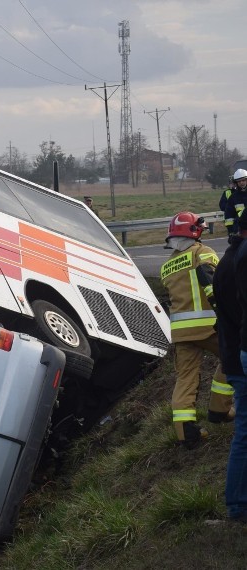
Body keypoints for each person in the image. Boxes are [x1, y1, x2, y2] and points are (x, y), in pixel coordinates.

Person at [160, 211, 233, 448]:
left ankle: (185, 433)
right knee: (232, 358)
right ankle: (219, 409)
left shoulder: (167, 266)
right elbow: (213, 279)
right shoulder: (203, 253)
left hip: (181, 332)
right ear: (196, 231)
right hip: (207, 326)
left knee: (185, 378)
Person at [216, 212, 247, 521]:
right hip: (239, 355)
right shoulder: (238, 261)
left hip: (233, 355)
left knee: (244, 431)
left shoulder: (229, 258)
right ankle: (238, 505)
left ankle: (237, 505)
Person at [224, 169, 247, 240]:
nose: (241, 183)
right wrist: (231, 232)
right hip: (241, 231)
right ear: (236, 183)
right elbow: (228, 216)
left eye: (243, 180)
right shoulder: (233, 197)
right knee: (233, 251)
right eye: (239, 181)